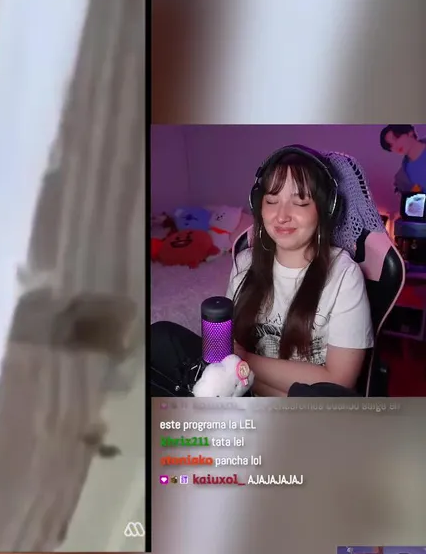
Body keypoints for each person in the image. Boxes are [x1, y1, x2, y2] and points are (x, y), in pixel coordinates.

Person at [148, 149, 374, 396]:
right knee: (160, 337)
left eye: (300, 202)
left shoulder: (345, 275)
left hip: (301, 405)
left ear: (326, 209)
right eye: (272, 201)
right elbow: (227, 349)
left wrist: (242, 362)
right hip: (241, 390)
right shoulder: (245, 262)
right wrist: (226, 372)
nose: (281, 216)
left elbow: (338, 381)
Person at [381, 124, 426, 195]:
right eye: (391, 145)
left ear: (410, 133)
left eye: (396, 138)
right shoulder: (403, 176)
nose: (395, 146)